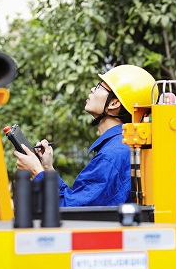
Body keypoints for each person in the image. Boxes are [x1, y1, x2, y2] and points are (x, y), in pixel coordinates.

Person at [14, 65, 155, 206]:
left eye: (100, 86)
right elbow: (76, 199)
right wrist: (47, 169)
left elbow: (73, 212)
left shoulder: (112, 155)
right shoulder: (123, 145)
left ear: (114, 103)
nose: (92, 89)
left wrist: (36, 171)